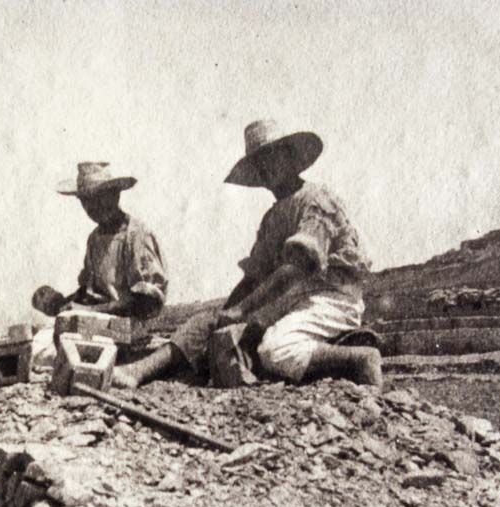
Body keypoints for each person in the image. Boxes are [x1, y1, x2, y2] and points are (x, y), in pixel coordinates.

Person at [112, 119, 382, 388]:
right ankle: (139, 371)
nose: (266, 168)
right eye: (259, 163)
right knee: (209, 322)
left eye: (272, 157)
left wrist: (243, 308)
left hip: (330, 296)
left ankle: (358, 358)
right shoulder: (273, 217)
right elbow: (254, 276)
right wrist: (227, 312)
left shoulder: (318, 199)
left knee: (277, 350)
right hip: (291, 300)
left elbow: (297, 267)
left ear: (290, 158)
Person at [30, 162, 168, 365]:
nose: (92, 208)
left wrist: (89, 312)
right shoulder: (95, 238)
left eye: (98, 199)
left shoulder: (136, 235)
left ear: (115, 195)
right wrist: (65, 303)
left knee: (57, 353)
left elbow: (144, 303)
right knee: (37, 345)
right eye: (85, 201)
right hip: (99, 323)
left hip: (129, 329)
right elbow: (93, 291)